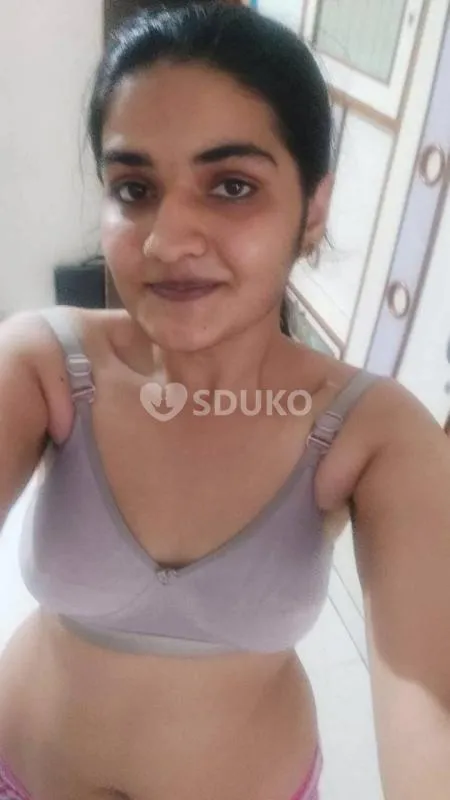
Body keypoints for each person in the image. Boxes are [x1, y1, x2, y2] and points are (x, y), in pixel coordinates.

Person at [0, 3, 449, 798]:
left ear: (313, 209)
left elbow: (430, 699)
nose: (166, 240)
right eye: (134, 188)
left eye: (232, 185)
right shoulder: (43, 364)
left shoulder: (374, 432)